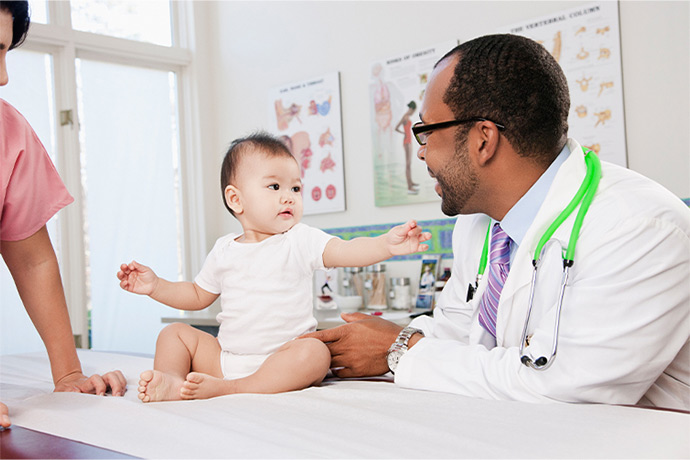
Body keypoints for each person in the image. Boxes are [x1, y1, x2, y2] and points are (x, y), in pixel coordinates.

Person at [304, 34, 690, 410]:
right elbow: (456, 336)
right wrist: (364, 343)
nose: (421, 155)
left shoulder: (641, 227)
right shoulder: (480, 226)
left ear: (483, 140)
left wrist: (400, 349)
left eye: (425, 132)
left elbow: (566, 386)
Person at [117, 132, 431, 402]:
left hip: (280, 361)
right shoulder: (224, 249)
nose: (289, 198)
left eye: (295, 189)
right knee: (174, 334)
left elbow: (346, 250)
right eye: (274, 187)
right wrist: (156, 286)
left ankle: (233, 389)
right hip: (225, 358)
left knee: (315, 353)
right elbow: (198, 295)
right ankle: (171, 380)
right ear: (236, 200)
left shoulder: (299, 240)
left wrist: (385, 245)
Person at [0, 0, 126, 428]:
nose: (2, 76)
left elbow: (33, 261)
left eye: (4, 53)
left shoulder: (9, 133)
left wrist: (68, 373)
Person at [394, 100, 419, 194]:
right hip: (406, 142)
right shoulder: (405, 116)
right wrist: (403, 133)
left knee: (409, 163)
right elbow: (396, 127)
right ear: (411, 109)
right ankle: (409, 186)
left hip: (409, 141)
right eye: (413, 110)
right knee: (407, 164)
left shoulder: (407, 116)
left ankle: (411, 182)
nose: (413, 112)